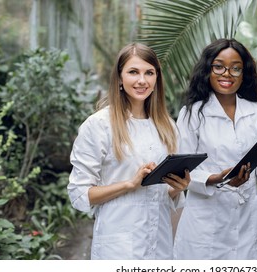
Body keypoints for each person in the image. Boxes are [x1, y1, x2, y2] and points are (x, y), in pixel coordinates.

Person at [67, 42, 190, 260]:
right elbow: (79, 194)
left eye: (149, 73)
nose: (142, 80)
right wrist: (129, 184)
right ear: (119, 78)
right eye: (133, 72)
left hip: (159, 244)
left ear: (156, 80)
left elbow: (163, 196)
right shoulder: (99, 125)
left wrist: (177, 187)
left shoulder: (168, 127)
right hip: (118, 247)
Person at [173, 38, 257, 260]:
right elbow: (181, 170)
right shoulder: (192, 114)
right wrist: (216, 179)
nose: (227, 73)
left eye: (236, 68)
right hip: (205, 221)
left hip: (247, 217)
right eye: (219, 66)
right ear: (208, 70)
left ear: (244, 73)